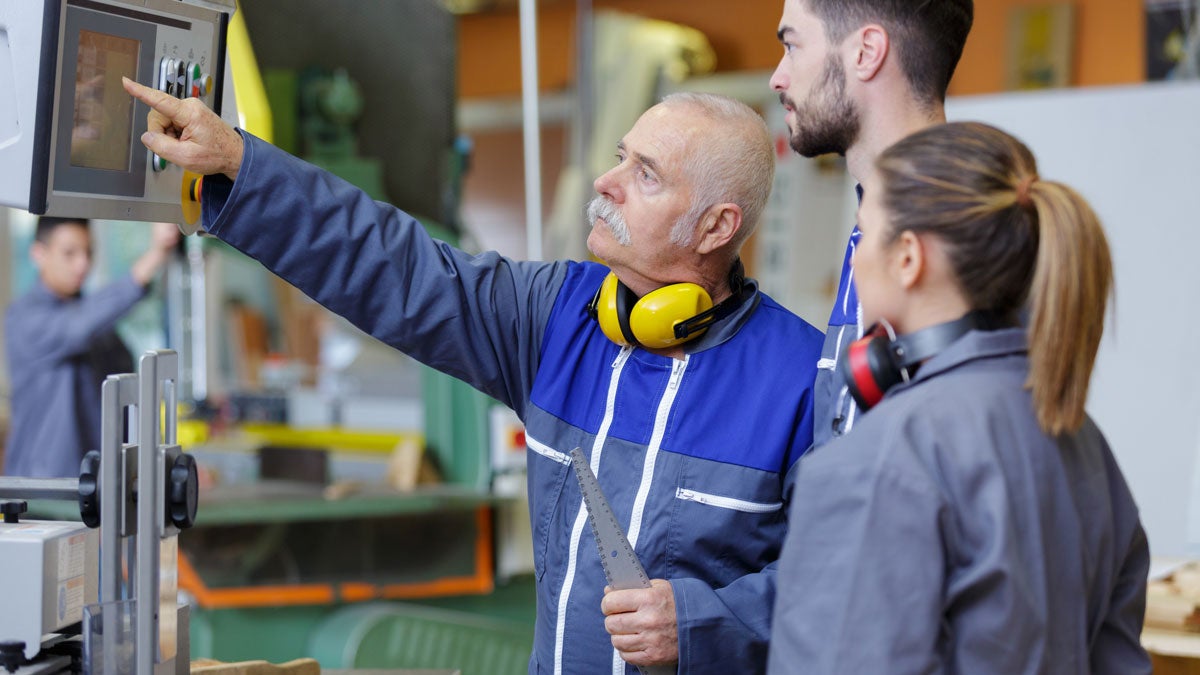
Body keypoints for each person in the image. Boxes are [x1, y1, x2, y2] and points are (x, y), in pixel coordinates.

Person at [123, 77, 825, 674]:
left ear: (715, 227)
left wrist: (704, 622)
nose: (604, 184)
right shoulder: (559, 318)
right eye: (618, 158)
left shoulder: (802, 381)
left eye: (644, 175)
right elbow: (394, 264)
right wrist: (242, 167)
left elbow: (846, 582)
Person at [768, 121, 1151, 673]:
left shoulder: (877, 461)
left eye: (862, 233)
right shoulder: (1086, 444)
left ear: (908, 258)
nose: (853, 261)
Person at [769, 0, 974, 445]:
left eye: (792, 45)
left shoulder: (952, 245)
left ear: (866, 53)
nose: (777, 77)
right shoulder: (881, 221)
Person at [4, 218, 179, 477]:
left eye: (89, 252)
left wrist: (162, 465)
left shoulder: (99, 326)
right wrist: (154, 256)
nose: (82, 264)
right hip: (40, 494)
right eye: (69, 253)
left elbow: (131, 399)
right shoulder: (23, 319)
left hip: (96, 489)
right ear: (38, 254)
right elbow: (77, 327)